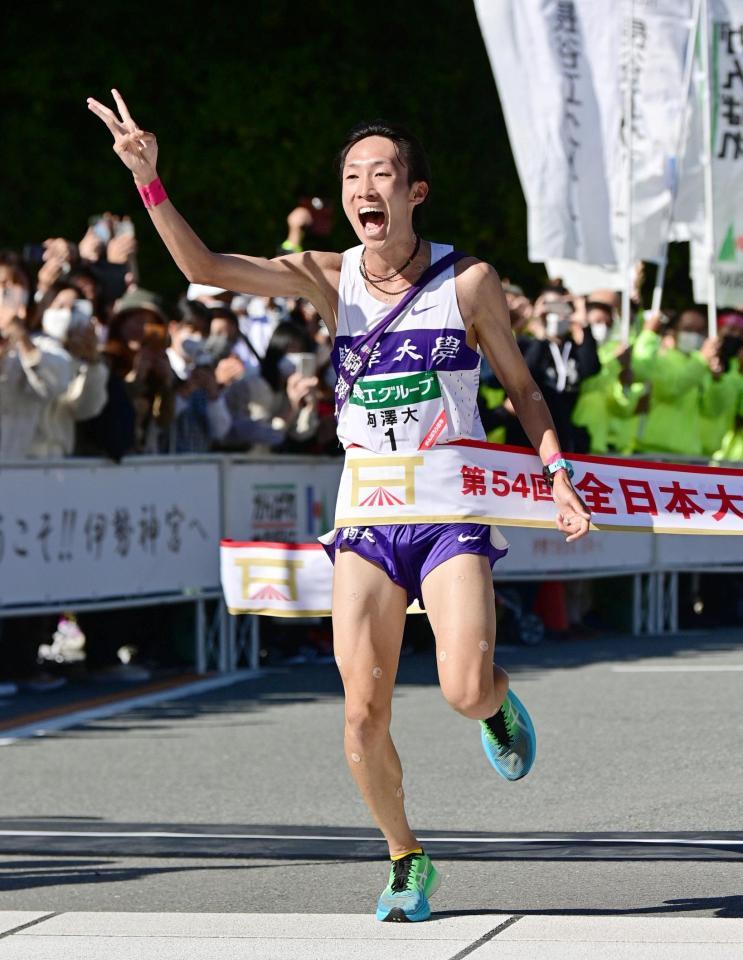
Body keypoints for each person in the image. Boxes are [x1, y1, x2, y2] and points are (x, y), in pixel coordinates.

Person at [88, 91, 591, 922]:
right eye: (353, 174)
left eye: (382, 173)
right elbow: (204, 270)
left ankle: (496, 704)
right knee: (360, 715)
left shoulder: (467, 282)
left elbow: (524, 389)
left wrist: (555, 474)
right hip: (366, 517)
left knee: (462, 688)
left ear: (414, 192)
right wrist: (149, 181)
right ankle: (406, 858)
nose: (365, 186)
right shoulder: (328, 276)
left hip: (449, 511)